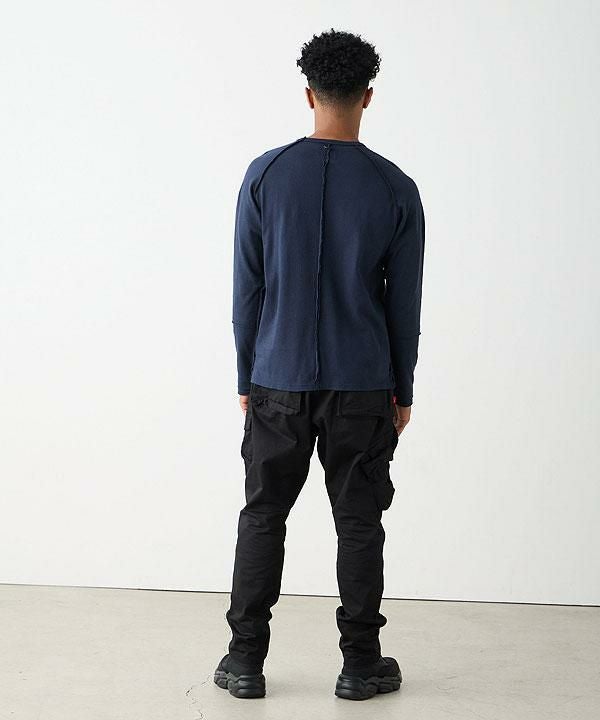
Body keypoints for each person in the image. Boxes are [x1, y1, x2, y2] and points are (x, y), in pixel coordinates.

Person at [214, 28, 425, 701]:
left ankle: (245, 660)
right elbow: (403, 305)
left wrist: (247, 376)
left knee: (262, 514)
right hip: (363, 382)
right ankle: (360, 665)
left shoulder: (265, 175)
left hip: (276, 376)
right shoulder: (395, 187)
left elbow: (248, 289)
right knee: (359, 521)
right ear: (368, 96)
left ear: (309, 94)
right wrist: (401, 389)